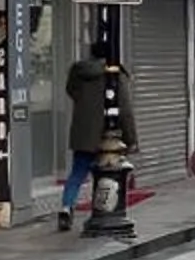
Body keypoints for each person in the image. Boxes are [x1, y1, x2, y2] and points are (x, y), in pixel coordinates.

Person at [59, 47, 137, 231]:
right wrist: (131, 138)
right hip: (107, 134)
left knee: (78, 172)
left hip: (84, 131)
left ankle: (66, 207)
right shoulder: (116, 74)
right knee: (108, 171)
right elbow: (125, 110)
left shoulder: (79, 71)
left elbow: (72, 91)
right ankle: (104, 208)